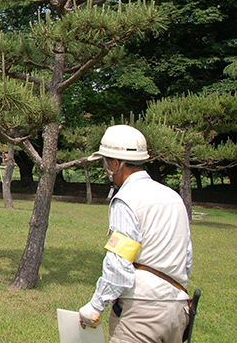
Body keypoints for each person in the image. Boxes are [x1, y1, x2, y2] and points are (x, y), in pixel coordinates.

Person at [79, 125, 192, 343]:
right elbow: (186, 257)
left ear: (115, 163)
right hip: (178, 308)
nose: (105, 168)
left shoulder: (126, 199)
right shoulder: (173, 197)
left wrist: (95, 305)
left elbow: (119, 262)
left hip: (142, 313)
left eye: (106, 162)